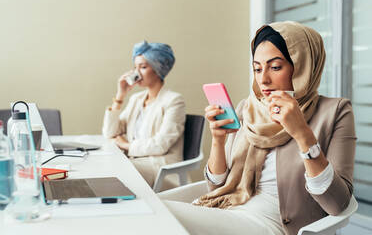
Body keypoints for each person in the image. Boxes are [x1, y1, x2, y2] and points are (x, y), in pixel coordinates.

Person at [162, 21, 356, 235]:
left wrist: (303, 134)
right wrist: (217, 140)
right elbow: (217, 188)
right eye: (257, 68)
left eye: (275, 67)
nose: (263, 79)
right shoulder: (248, 108)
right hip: (228, 208)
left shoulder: (335, 111)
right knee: (146, 210)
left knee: (156, 213)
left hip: (273, 224)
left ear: (302, 67)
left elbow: (338, 204)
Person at [102, 40, 186, 190]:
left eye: (143, 67)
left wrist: (126, 145)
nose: (136, 73)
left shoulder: (174, 100)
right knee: (106, 165)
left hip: (158, 166)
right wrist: (120, 95)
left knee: (114, 170)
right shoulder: (136, 99)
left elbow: (160, 144)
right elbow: (110, 133)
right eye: (135, 67)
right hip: (135, 161)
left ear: (158, 69)